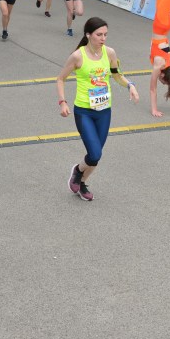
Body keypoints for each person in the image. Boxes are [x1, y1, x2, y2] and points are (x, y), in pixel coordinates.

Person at [57, 17, 139, 201]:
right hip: (84, 111)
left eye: (105, 35)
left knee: (95, 156)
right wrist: (62, 102)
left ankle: (82, 182)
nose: (103, 38)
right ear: (88, 35)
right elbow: (60, 78)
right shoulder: (78, 56)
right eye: (99, 35)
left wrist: (130, 85)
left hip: (104, 111)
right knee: (94, 152)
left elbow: (117, 75)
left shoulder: (109, 53)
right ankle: (78, 170)